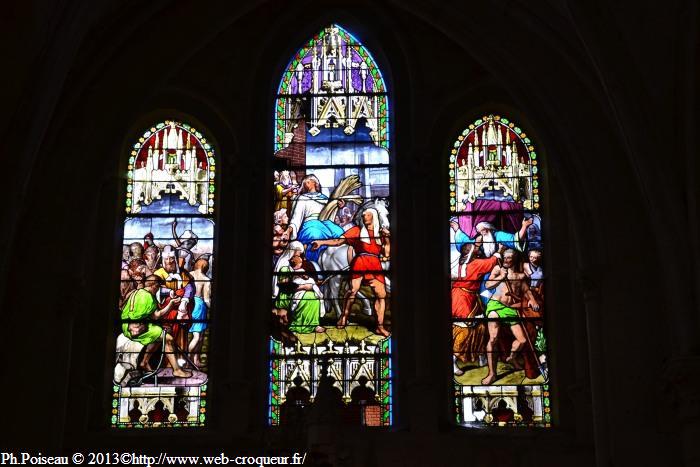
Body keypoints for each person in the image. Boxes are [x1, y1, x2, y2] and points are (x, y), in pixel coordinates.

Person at [311, 208, 390, 337]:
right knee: (352, 290)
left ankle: (379, 327)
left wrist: (387, 239)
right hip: (360, 261)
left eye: (367, 215)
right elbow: (337, 241)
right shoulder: (356, 231)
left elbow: (386, 253)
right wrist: (321, 242)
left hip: (375, 264)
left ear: (374, 216)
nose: (364, 217)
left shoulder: (380, 233)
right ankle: (344, 316)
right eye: (363, 215)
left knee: (381, 294)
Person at [481, 249, 540, 385]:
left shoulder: (520, 276)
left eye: (510, 258)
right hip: (495, 305)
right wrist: (501, 277)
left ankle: (512, 357)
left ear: (515, 259)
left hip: (511, 309)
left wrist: (532, 300)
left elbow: (526, 290)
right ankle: (492, 374)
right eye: (505, 257)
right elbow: (488, 284)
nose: (507, 260)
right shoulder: (498, 269)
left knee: (523, 340)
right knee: (493, 337)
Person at [120, 275, 191, 377]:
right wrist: (171, 304)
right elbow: (156, 316)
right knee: (168, 339)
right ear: (153, 285)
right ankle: (177, 370)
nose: (157, 290)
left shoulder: (137, 292)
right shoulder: (148, 297)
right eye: (157, 287)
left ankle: (144, 363)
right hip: (135, 329)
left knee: (160, 333)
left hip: (127, 326)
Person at [452, 243, 502, 375]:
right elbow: (491, 262)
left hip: (468, 297)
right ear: (471, 252)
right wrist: (500, 250)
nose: (479, 249)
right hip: (463, 300)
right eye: (476, 248)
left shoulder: (463, 264)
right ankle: (453, 361)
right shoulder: (475, 264)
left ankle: (480, 356)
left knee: (480, 327)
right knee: (464, 331)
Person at [286, 174, 344, 263]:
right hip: (310, 224)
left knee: (339, 232)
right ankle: (312, 264)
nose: (306, 184)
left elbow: (331, 214)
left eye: (308, 181)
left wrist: (339, 206)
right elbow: (296, 218)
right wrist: (290, 229)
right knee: (315, 234)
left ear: (314, 183)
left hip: (325, 223)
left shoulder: (324, 198)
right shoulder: (302, 198)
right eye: (305, 182)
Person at [274, 255, 325, 334]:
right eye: (300, 262)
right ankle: (299, 324)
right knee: (307, 298)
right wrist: (304, 286)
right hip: (296, 291)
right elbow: (287, 286)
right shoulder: (287, 270)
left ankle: (314, 324)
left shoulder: (302, 269)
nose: (302, 263)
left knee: (315, 297)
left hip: (308, 289)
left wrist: (309, 283)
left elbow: (306, 278)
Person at [449, 217, 533, 257]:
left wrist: (524, 226)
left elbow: (516, 240)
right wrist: (457, 230)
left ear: (488, 228)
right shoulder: (479, 239)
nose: (482, 233)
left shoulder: (499, 235)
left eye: (483, 230)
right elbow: (464, 243)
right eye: (480, 232)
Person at [188, 257, 211, 367]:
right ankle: (188, 358)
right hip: (200, 306)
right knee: (197, 336)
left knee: (199, 336)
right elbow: (206, 300)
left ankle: (195, 360)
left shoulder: (189, 274)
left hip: (190, 304)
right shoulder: (205, 279)